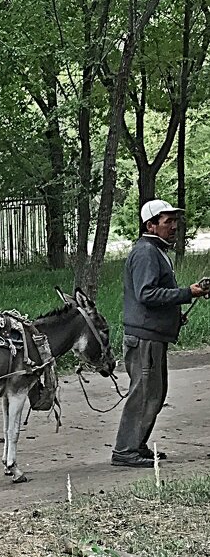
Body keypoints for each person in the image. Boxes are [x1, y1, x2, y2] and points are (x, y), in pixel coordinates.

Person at [111, 199, 210, 468]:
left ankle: (136, 444)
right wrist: (187, 293)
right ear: (151, 225)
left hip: (152, 336)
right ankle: (124, 450)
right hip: (145, 338)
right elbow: (146, 294)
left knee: (154, 392)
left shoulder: (155, 249)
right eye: (168, 221)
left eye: (175, 221)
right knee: (143, 393)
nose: (174, 226)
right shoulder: (146, 252)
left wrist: (175, 314)